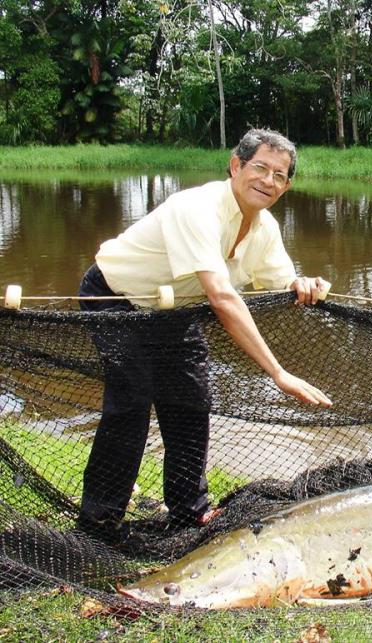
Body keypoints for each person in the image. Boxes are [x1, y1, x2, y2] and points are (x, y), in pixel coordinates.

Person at [77, 128, 331, 538]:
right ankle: (99, 522)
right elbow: (222, 297)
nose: (268, 180)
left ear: (287, 186)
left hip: (176, 311)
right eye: (260, 168)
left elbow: (280, 282)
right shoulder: (197, 208)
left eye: (279, 175)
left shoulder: (265, 228)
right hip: (115, 298)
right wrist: (278, 373)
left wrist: (302, 284)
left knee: (192, 401)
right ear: (236, 166)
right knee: (132, 401)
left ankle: (189, 513)